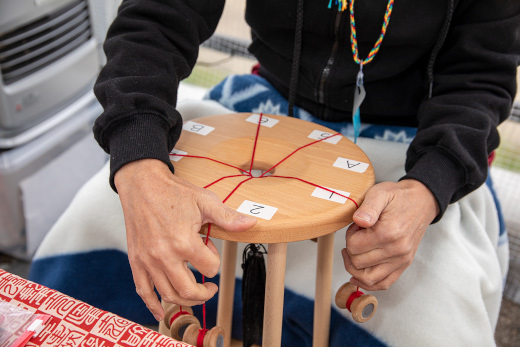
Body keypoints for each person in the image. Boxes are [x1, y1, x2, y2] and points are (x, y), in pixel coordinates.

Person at [33, 0, 519, 345]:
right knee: (92, 225)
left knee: (431, 324)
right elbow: (155, 20)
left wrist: (430, 186)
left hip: (413, 148)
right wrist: (139, 167)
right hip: (264, 114)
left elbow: (480, 81)